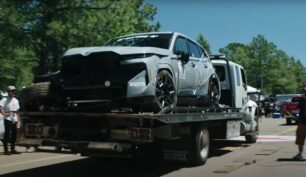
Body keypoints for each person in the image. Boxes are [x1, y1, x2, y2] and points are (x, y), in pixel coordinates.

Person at [0, 86, 21, 155]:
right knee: (7, 134)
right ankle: (6, 150)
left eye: (13, 91)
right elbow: (0, 108)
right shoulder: (4, 100)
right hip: (7, 118)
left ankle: (13, 149)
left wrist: (18, 120)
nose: (11, 92)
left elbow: (17, 111)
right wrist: (4, 114)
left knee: (14, 134)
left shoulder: (16, 100)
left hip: (14, 118)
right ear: (8, 92)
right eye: (10, 91)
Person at [293, 86, 306, 160]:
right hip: (302, 122)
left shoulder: (302, 100)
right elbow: (297, 108)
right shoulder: (302, 100)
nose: (304, 93)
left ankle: (300, 154)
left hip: (303, 122)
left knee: (300, 138)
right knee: (300, 138)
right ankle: (300, 154)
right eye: (304, 92)